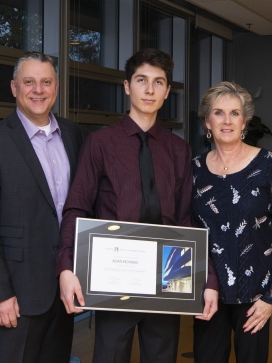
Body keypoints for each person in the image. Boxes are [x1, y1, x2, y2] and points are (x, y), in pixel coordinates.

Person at [57, 48, 218, 363]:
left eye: (159, 82)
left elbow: (187, 220)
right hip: (114, 278)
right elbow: (76, 208)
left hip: (167, 278)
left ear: (167, 91)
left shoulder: (179, 149)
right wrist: (66, 267)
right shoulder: (100, 143)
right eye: (142, 80)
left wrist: (206, 279)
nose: (150, 89)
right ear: (127, 86)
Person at [0, 52, 84, 362]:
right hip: (15, 295)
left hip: (64, 290)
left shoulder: (73, 134)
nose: (38, 90)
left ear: (56, 87)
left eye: (46, 82)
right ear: (14, 87)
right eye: (29, 82)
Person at [191, 81, 272, 363]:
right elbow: (187, 228)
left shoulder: (269, 164)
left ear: (245, 121)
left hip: (255, 295)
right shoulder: (193, 170)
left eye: (234, 113)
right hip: (208, 292)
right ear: (207, 121)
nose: (226, 121)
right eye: (218, 113)